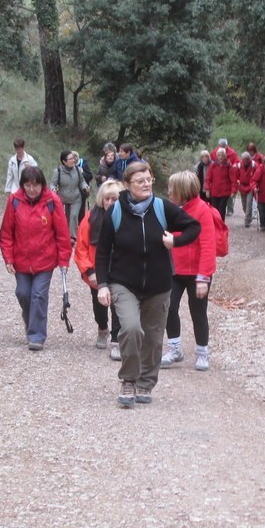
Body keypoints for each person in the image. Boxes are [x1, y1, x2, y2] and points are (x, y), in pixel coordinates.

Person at [96, 162, 201, 408]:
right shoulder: (116, 212)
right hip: (123, 283)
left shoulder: (162, 207)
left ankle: (145, 383)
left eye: (149, 179)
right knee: (131, 329)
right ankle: (128, 380)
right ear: (128, 185)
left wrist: (176, 241)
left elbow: (194, 227)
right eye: (140, 181)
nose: (146, 184)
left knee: (153, 338)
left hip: (159, 284)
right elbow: (102, 252)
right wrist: (102, 285)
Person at [0, 166, 71, 350]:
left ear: (42, 185)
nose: (31, 189)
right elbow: (7, 233)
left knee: (38, 295)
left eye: (35, 185)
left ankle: (36, 335)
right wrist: (8, 258)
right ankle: (32, 322)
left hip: (45, 260)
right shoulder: (14, 201)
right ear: (23, 185)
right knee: (23, 293)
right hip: (21, 260)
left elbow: (62, 234)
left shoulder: (52, 202)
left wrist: (64, 260)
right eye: (27, 185)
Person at [161, 171, 216, 372]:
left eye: (172, 189)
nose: (168, 192)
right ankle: (174, 347)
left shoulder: (202, 210)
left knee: (198, 312)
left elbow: (209, 245)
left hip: (197, 273)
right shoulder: (170, 209)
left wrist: (203, 277)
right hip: (174, 270)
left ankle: (202, 352)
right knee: (168, 307)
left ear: (182, 192)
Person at [74, 180, 124, 357]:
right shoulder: (90, 218)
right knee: (99, 306)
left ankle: (117, 339)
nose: (110, 203)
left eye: (115, 199)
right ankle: (102, 328)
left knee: (119, 306)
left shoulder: (126, 217)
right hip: (97, 270)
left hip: (120, 270)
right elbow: (81, 247)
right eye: (107, 199)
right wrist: (89, 271)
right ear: (101, 199)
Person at [50, 150, 90, 241]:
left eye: (73, 158)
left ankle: (73, 238)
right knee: (65, 219)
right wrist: (53, 189)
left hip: (76, 198)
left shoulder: (77, 169)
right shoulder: (58, 171)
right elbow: (53, 184)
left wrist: (85, 187)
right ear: (64, 161)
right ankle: (64, 236)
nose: (73, 160)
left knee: (74, 216)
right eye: (70, 159)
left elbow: (82, 181)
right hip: (63, 199)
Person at [204, 147, 235, 221]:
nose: (221, 157)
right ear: (217, 156)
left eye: (222, 155)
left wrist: (233, 191)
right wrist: (207, 189)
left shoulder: (228, 166)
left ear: (225, 156)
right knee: (215, 210)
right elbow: (208, 178)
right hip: (214, 192)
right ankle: (215, 224)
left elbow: (233, 179)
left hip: (224, 192)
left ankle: (221, 225)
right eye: (219, 155)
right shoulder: (213, 165)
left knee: (222, 210)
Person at [236, 151, 261, 228]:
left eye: (247, 159)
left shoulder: (254, 165)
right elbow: (236, 175)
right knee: (244, 205)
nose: (245, 161)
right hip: (242, 186)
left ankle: (246, 221)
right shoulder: (239, 165)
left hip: (250, 186)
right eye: (244, 159)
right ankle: (249, 217)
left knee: (249, 203)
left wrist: (256, 185)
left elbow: (258, 175)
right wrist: (237, 182)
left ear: (249, 159)